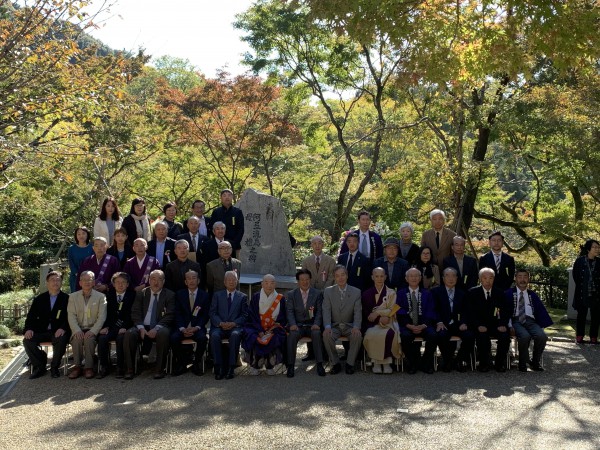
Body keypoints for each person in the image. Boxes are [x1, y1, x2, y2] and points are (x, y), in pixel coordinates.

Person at [124, 270, 175, 379]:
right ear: (149, 280)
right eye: (153, 279)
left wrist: (156, 328)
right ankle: (130, 369)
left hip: (160, 326)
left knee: (164, 334)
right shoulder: (141, 293)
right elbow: (135, 312)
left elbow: (170, 315)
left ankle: (159, 369)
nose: (156, 282)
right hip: (143, 326)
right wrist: (141, 328)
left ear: (164, 281)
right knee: (129, 334)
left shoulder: (170, 295)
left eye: (159, 279)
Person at [23, 271, 71, 379]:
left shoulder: (67, 299)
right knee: (27, 340)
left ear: (61, 282)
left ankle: (54, 367)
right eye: (52, 280)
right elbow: (31, 317)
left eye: (58, 280)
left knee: (61, 339)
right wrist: (28, 329)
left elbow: (70, 317)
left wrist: (63, 328)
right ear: (47, 283)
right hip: (41, 331)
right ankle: (39, 367)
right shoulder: (39, 299)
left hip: (57, 331)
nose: (55, 282)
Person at [506, 269, 553, 371]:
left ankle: (535, 362)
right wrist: (509, 326)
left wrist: (541, 326)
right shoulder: (508, 293)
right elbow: (504, 311)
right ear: (515, 279)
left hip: (530, 321)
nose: (522, 279)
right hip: (516, 320)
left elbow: (540, 311)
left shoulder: (532, 295)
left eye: (525, 277)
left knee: (542, 336)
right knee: (524, 336)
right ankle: (523, 363)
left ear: (528, 279)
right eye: (520, 277)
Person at [466, 268, 511, 372]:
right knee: (482, 337)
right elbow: (470, 312)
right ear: (480, 279)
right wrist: (478, 325)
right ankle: (484, 363)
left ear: (494, 279)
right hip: (480, 324)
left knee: (505, 336)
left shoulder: (499, 293)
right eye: (485, 278)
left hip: (496, 324)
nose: (488, 280)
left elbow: (505, 311)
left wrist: (502, 324)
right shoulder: (472, 292)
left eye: (491, 278)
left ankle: (499, 363)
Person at [242, 274, 287, 375]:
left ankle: (270, 364)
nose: (269, 285)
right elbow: (252, 316)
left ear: (275, 284)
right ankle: (255, 364)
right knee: (251, 335)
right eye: (266, 283)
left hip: (273, 328)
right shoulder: (256, 297)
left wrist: (272, 329)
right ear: (262, 284)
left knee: (276, 337)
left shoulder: (280, 298)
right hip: (257, 326)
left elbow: (282, 318)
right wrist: (260, 331)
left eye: (272, 283)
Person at [431, 267, 474, 372]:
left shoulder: (462, 293)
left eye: (453, 276)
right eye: (447, 276)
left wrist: (464, 322)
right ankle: (447, 361)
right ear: (443, 278)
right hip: (443, 323)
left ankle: (459, 360)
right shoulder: (436, 292)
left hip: (458, 324)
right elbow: (433, 309)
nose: (451, 278)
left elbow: (467, 310)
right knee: (441, 335)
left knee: (470, 336)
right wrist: (439, 322)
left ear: (457, 278)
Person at [322, 265, 363, 375]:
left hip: (349, 325)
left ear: (347, 276)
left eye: (343, 275)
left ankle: (350, 364)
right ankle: (335, 363)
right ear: (334, 278)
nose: (340, 278)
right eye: (337, 276)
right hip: (334, 325)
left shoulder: (356, 292)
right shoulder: (328, 291)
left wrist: (356, 327)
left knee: (357, 335)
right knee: (326, 335)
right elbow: (326, 310)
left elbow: (358, 312)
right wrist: (327, 326)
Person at [285, 269, 326, 377]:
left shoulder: (317, 293)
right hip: (297, 325)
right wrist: (292, 324)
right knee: (292, 336)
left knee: (317, 333)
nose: (305, 282)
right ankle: (290, 365)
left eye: (307, 279)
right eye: (302, 280)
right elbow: (289, 311)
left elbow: (319, 312)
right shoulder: (291, 294)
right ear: (298, 281)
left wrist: (317, 323)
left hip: (312, 325)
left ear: (310, 280)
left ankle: (320, 364)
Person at [67, 271, 107, 379]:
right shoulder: (73, 297)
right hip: (79, 328)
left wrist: (93, 331)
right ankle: (77, 367)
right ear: (80, 282)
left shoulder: (101, 297)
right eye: (84, 280)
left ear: (94, 282)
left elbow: (102, 317)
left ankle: (88, 367)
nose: (87, 282)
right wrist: (76, 330)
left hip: (93, 328)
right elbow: (71, 315)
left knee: (89, 339)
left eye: (89, 280)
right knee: (77, 339)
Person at [396, 268, 438, 374]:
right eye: (411, 276)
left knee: (433, 335)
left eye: (416, 276)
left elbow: (431, 310)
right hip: (407, 325)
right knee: (404, 336)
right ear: (406, 278)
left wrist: (423, 325)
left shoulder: (427, 293)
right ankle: (412, 363)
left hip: (424, 325)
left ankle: (426, 363)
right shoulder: (400, 294)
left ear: (420, 278)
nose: (414, 278)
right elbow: (399, 311)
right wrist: (409, 325)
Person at [209, 270, 248, 380]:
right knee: (215, 336)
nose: (231, 282)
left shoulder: (242, 297)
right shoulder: (217, 295)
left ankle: (231, 367)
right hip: (219, 326)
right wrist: (220, 323)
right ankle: (218, 366)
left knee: (235, 335)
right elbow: (212, 313)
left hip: (235, 327)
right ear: (224, 282)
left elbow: (245, 315)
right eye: (229, 280)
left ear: (237, 281)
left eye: (233, 280)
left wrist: (234, 323)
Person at [362, 267, 401, 374]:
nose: (379, 279)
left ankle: (387, 362)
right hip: (372, 324)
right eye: (377, 276)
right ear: (372, 277)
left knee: (389, 334)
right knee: (371, 334)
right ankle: (376, 362)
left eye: (382, 276)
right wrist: (378, 318)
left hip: (389, 322)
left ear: (385, 277)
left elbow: (392, 309)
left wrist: (378, 313)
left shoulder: (391, 293)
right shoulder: (366, 294)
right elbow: (367, 314)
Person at [171, 270, 210, 376]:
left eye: (194, 278)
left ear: (198, 280)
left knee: (202, 339)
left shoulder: (204, 295)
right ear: (185, 281)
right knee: (174, 338)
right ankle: (182, 363)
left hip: (197, 327)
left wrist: (196, 327)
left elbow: (205, 315)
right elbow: (177, 313)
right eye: (189, 278)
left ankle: (196, 363)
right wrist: (182, 328)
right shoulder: (179, 294)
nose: (191, 281)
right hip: (182, 327)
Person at [96, 272, 135, 378]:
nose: (120, 285)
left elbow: (132, 314)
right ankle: (104, 367)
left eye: (123, 282)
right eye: (117, 282)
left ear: (127, 284)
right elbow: (105, 314)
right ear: (113, 284)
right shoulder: (108, 296)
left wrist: (125, 327)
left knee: (121, 338)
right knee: (102, 338)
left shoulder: (133, 296)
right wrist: (106, 327)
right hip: (111, 326)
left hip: (126, 326)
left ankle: (120, 367)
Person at [572, 239, 600, 344]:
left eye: (598, 247)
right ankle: (579, 336)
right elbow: (575, 276)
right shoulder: (579, 261)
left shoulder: (599, 262)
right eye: (595, 247)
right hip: (582, 292)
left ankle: (593, 337)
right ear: (588, 249)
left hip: (596, 293)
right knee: (581, 315)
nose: (597, 249)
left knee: (596, 316)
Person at [210, 189, 244, 255]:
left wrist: (234, 243)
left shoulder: (237, 212)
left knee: (234, 264)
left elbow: (241, 229)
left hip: (234, 245)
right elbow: (212, 228)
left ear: (232, 197)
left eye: (229, 195)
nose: (227, 197)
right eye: (224, 195)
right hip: (218, 246)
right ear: (221, 198)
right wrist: (219, 242)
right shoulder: (216, 212)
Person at [199, 221, 227, 286]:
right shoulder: (206, 245)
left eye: (222, 228)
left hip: (227, 277)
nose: (220, 231)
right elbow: (204, 264)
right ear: (213, 231)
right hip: (213, 278)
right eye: (217, 229)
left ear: (225, 230)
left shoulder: (231, 243)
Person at [67, 226, 93, 293]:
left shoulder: (92, 247)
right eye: (79, 234)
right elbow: (71, 263)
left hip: (90, 277)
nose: (81, 236)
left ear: (87, 234)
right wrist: (78, 274)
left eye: (83, 233)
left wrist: (88, 275)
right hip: (75, 278)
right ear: (76, 236)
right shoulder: (71, 249)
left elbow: (94, 262)